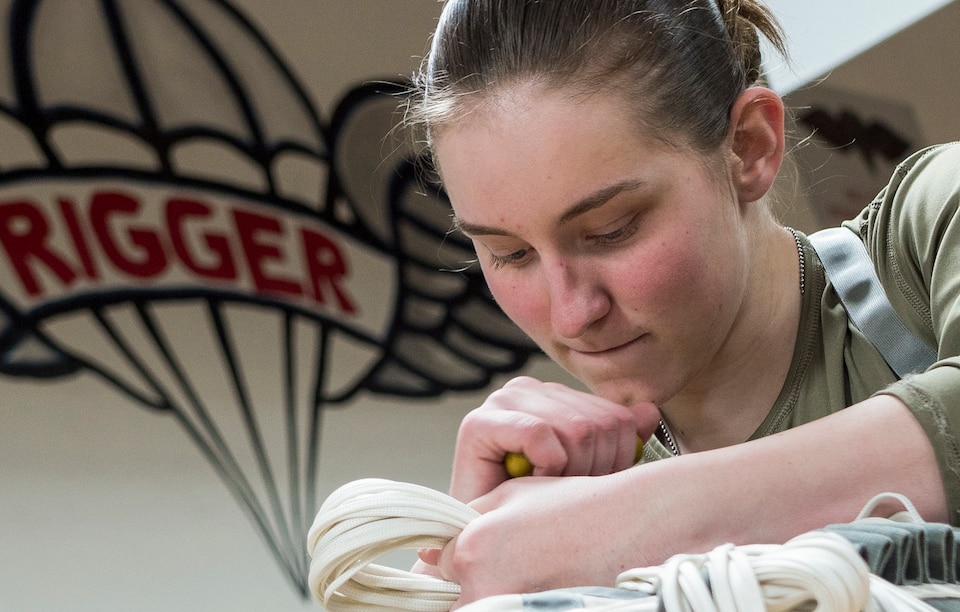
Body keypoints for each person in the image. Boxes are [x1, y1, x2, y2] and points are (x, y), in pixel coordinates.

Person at [403, 0, 957, 607]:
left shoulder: (926, 229)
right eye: (509, 254)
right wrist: (460, 581)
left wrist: (623, 523)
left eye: (613, 229)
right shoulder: (565, 486)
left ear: (749, 146)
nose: (571, 315)